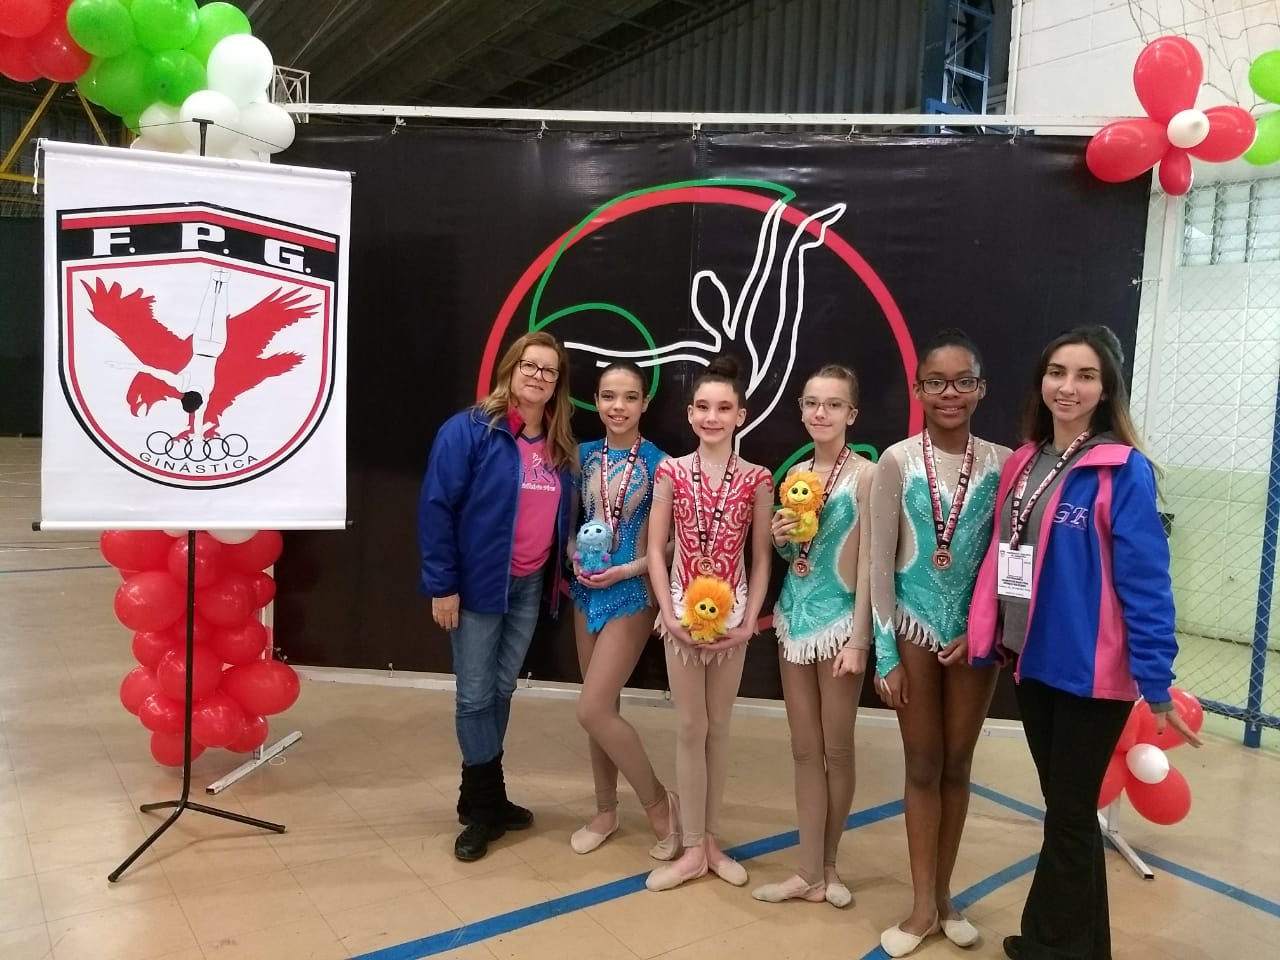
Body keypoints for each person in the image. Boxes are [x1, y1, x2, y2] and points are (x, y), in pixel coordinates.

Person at [966, 325, 1201, 960]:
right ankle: (1071, 943)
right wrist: (985, 632)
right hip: (1032, 662)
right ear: (1041, 382)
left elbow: (1146, 580)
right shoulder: (1024, 462)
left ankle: (1054, 946)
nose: (1067, 387)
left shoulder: (1123, 469)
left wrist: (1156, 680)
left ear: (1106, 389)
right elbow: (1001, 557)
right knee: (1066, 810)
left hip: (1092, 672)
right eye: (1057, 372)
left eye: (1085, 376)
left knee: (1069, 812)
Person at [869, 329, 1011, 957]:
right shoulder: (896, 461)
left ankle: (947, 895)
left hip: (974, 639)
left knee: (958, 765)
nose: (949, 393)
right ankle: (922, 903)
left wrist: (989, 634)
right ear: (918, 389)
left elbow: (1009, 560)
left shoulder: (1004, 464)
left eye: (962, 381)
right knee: (923, 764)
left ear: (980, 389)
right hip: (913, 629)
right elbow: (878, 565)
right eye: (936, 382)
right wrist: (886, 654)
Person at [418, 330, 576, 862]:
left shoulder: (557, 443)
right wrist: (443, 584)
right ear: (511, 367)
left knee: (503, 687)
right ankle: (481, 805)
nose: (538, 376)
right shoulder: (468, 430)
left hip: (529, 584)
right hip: (479, 583)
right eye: (530, 365)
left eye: (549, 370)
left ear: (557, 384)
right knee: (474, 694)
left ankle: (486, 797)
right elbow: (436, 507)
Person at [644, 356, 773, 891]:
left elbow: (761, 557)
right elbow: (656, 549)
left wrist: (750, 623)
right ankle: (692, 845)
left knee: (719, 728)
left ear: (740, 415)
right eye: (703, 407)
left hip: (733, 619)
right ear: (689, 413)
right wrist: (667, 613)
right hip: (679, 612)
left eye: (723, 408)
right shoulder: (671, 471)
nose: (712, 417)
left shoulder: (758, 478)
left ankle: (712, 842)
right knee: (689, 727)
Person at [751, 364, 874, 909]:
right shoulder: (797, 472)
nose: (820, 413)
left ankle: (829, 866)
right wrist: (780, 538)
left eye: (833, 404)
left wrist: (860, 639)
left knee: (836, 748)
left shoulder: (868, 475)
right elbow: (796, 552)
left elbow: (872, 563)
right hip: (794, 619)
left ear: (852, 413)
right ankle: (806, 871)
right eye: (811, 403)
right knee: (804, 750)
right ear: (801, 409)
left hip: (841, 624)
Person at [568, 361, 679, 859]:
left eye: (630, 397)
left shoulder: (661, 464)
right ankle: (605, 811)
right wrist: (574, 554)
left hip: (632, 594)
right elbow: (570, 524)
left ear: (644, 403)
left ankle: (659, 804)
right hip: (586, 590)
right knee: (601, 711)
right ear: (596, 400)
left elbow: (671, 544)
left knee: (591, 708)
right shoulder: (582, 456)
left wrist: (627, 570)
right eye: (609, 396)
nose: (618, 406)